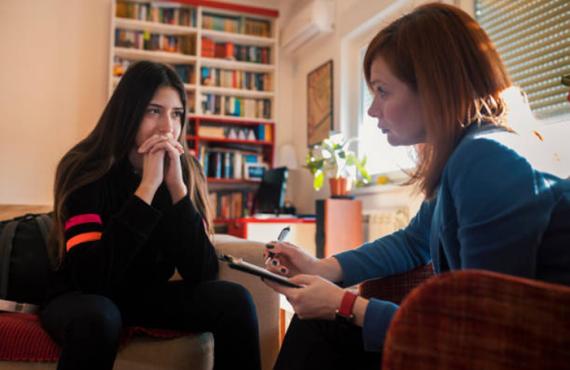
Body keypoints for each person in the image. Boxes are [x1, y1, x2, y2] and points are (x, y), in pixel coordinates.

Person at [262, 3, 570, 370]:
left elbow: (486, 335)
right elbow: (414, 241)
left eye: (382, 91)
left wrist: (345, 305)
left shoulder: (487, 159)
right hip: (480, 341)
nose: (372, 110)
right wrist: (323, 267)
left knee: (320, 328)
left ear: (434, 87)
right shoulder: (470, 152)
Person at [40, 61, 261, 370]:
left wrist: (176, 189)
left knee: (235, 300)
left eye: (176, 114)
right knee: (100, 317)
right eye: (153, 111)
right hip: (79, 295)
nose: (167, 127)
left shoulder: (185, 170)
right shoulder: (86, 166)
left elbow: (202, 271)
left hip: (144, 296)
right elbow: (91, 277)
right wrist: (146, 188)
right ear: (128, 112)